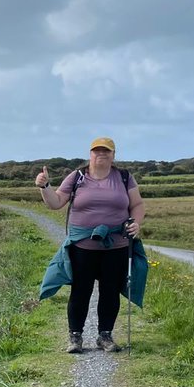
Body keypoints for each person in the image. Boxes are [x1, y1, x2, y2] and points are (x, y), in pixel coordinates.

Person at [35, 137, 147, 353]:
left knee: (110, 291)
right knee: (80, 291)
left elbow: (137, 204)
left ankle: (105, 336)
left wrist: (136, 223)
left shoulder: (124, 177)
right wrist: (45, 186)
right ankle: (75, 337)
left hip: (116, 245)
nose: (101, 154)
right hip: (82, 247)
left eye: (106, 151)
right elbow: (55, 202)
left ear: (113, 155)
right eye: (97, 150)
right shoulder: (77, 176)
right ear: (90, 154)